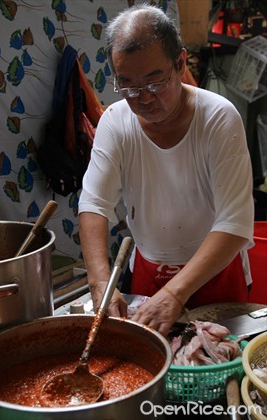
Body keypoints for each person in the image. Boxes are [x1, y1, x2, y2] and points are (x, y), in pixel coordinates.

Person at [78, 4, 254, 337]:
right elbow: (94, 204)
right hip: (148, 268)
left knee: (216, 362)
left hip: (216, 271)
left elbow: (235, 222)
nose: (142, 99)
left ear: (180, 63)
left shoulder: (218, 118)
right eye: (127, 85)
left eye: (154, 82)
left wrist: (175, 292)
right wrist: (100, 280)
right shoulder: (116, 122)